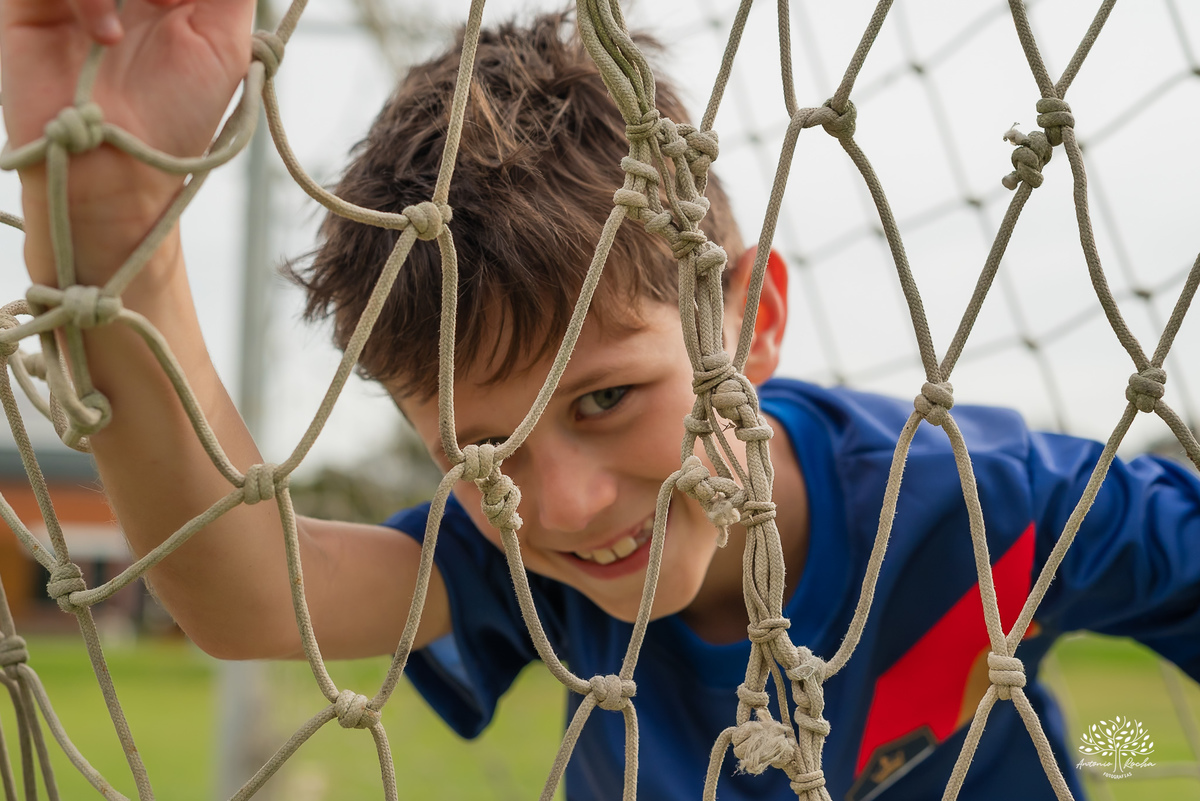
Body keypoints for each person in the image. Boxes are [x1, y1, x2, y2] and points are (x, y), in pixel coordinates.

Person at [3, 3, 1198, 800]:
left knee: (1129, 741)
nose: (564, 504)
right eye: (484, 450)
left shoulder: (993, 506)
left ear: (751, 318)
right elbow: (249, 588)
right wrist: (113, 223)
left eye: (608, 399)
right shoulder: (517, 560)